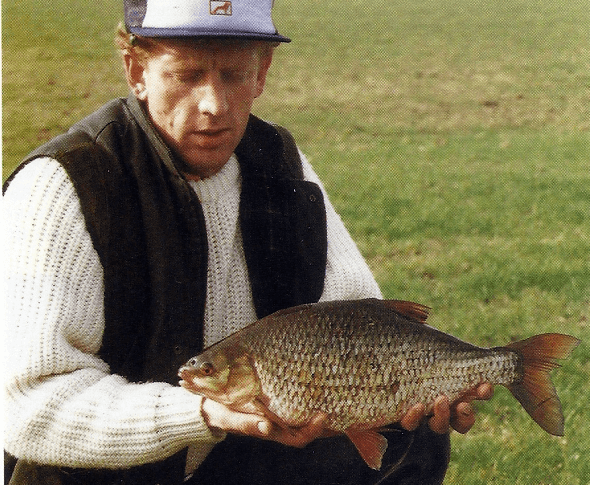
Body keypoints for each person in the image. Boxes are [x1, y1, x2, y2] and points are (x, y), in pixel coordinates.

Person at [3, 0, 493, 483]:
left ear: (263, 72)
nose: (214, 105)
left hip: (239, 450)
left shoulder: (277, 160)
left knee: (413, 438)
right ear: (136, 70)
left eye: (233, 75)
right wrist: (200, 413)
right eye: (186, 75)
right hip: (100, 471)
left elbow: (359, 320)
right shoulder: (66, 185)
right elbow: (24, 409)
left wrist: (409, 385)